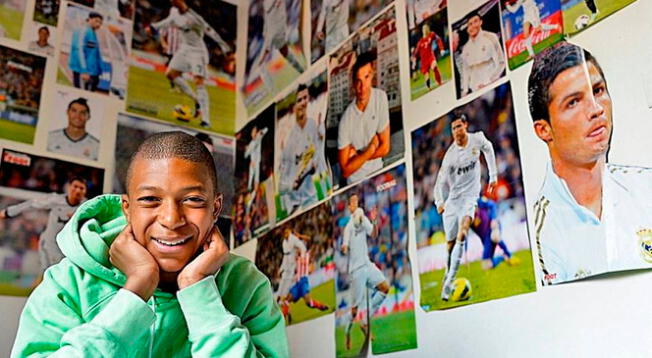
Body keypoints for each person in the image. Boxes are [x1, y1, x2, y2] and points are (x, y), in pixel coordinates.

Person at [11, 132, 288, 357]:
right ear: (127, 209)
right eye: (150, 200)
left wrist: (199, 291)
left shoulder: (247, 285)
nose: (171, 219)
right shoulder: (67, 283)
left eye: (192, 200)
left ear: (215, 209)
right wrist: (135, 292)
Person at [528, 42, 652, 285]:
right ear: (544, 130)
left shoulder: (646, 186)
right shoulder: (540, 233)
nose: (596, 109)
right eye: (573, 102)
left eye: (598, 91)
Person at [433, 113, 497, 300]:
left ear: (465, 125)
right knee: (450, 246)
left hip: (470, 198)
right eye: (453, 128)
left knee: (463, 232)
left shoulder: (477, 139)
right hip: (453, 201)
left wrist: (493, 176)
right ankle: (448, 273)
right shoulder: (450, 156)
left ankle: (448, 283)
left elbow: (489, 148)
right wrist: (440, 202)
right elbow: (439, 183)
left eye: (459, 127)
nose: (456, 131)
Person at [149, 0, 231, 129]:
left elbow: (210, 31)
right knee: (171, 74)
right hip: (184, 49)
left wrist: (223, 45)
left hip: (198, 52)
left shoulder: (195, 18)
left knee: (198, 82)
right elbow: (170, 21)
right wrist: (155, 26)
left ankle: (206, 119)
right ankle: (196, 100)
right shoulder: (173, 11)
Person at [0, 177, 87, 271]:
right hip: (49, 244)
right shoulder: (56, 199)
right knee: (49, 273)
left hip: (68, 248)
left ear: (85, 191)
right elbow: (31, 204)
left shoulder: (86, 207)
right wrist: (9, 212)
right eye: (75, 186)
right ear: (69, 187)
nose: (77, 190)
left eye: (81, 188)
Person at [340, 193, 389, 351]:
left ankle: (366, 321)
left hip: (367, 264)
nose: (355, 204)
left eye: (356, 201)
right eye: (352, 202)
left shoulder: (362, 219)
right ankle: (347, 332)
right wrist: (345, 247)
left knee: (385, 288)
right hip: (356, 271)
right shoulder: (348, 227)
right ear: (349, 207)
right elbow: (344, 245)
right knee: (354, 311)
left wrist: (374, 220)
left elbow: (373, 234)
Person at [337, 51, 391, 185]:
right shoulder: (346, 120)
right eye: (358, 81)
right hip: (356, 181)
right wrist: (371, 149)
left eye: (366, 77)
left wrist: (357, 158)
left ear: (372, 74)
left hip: (378, 174)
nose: (363, 87)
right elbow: (345, 170)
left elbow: (385, 148)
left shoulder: (380, 98)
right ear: (353, 83)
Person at [279, 84, 325, 214]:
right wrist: (291, 185)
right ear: (293, 106)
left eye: (305, 98)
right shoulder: (288, 137)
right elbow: (282, 178)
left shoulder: (313, 125)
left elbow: (318, 157)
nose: (303, 103)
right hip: (294, 206)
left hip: (312, 197)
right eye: (299, 100)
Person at [276, 226, 328, 323]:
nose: (298, 249)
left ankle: (321, 306)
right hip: (297, 283)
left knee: (309, 303)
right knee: (286, 300)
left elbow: (310, 240)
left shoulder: (306, 255)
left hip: (304, 281)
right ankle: (284, 319)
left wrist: (299, 236)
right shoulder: (294, 257)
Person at [459, 11, 505, 97]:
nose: (473, 25)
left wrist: (489, 82)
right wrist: (465, 90)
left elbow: (501, 62)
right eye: (470, 24)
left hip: (492, 86)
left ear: (481, 22)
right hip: (475, 91)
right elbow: (466, 71)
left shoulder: (491, 37)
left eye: (475, 21)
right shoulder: (466, 48)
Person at [471, 196, 519, 270]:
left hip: (492, 226)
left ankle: (510, 256)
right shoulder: (466, 218)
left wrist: (493, 218)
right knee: (486, 266)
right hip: (485, 238)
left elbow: (492, 204)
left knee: (494, 236)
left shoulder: (480, 201)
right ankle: (503, 257)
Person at [69, 11, 104, 92]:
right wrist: (84, 70)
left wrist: (99, 70)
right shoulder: (83, 31)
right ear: (89, 19)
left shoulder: (92, 32)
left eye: (100, 23)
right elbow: (79, 50)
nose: (99, 24)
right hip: (84, 72)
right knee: (81, 92)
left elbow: (94, 53)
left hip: (92, 72)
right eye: (97, 21)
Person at [411, 23, 445, 90]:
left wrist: (441, 49)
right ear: (422, 30)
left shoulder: (432, 35)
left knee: (434, 66)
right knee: (426, 75)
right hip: (424, 61)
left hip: (430, 57)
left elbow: (438, 40)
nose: (425, 30)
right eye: (423, 29)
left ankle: (440, 82)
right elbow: (415, 54)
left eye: (426, 28)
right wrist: (414, 63)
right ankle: (429, 87)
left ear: (428, 29)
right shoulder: (420, 42)